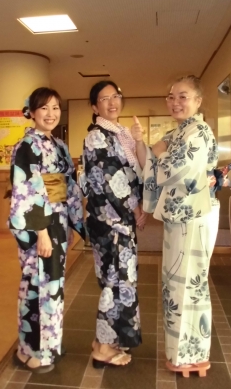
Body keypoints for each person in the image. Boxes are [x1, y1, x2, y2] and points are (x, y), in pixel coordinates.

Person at [132, 75, 218, 377]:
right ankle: (181, 352)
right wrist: (142, 143)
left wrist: (159, 153)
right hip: (179, 217)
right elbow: (152, 161)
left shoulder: (199, 131)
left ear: (198, 101)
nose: (175, 102)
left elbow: (178, 169)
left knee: (190, 285)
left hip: (193, 215)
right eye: (171, 96)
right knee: (177, 284)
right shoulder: (178, 131)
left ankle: (191, 354)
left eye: (183, 96)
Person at [8, 87, 85, 374]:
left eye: (55, 108)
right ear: (32, 112)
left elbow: (69, 184)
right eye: (44, 108)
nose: (51, 114)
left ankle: (44, 347)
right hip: (40, 225)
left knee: (51, 287)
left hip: (58, 220)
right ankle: (35, 351)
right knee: (38, 286)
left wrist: (73, 221)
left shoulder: (59, 145)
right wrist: (41, 232)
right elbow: (25, 190)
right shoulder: (26, 146)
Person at [81, 80, 148, 368]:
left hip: (119, 218)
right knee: (115, 281)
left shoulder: (120, 133)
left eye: (115, 96)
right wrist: (135, 207)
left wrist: (139, 140)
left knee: (119, 279)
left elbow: (138, 170)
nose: (112, 102)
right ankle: (103, 348)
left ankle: (108, 340)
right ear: (95, 107)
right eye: (104, 98)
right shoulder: (97, 136)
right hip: (111, 220)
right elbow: (109, 179)